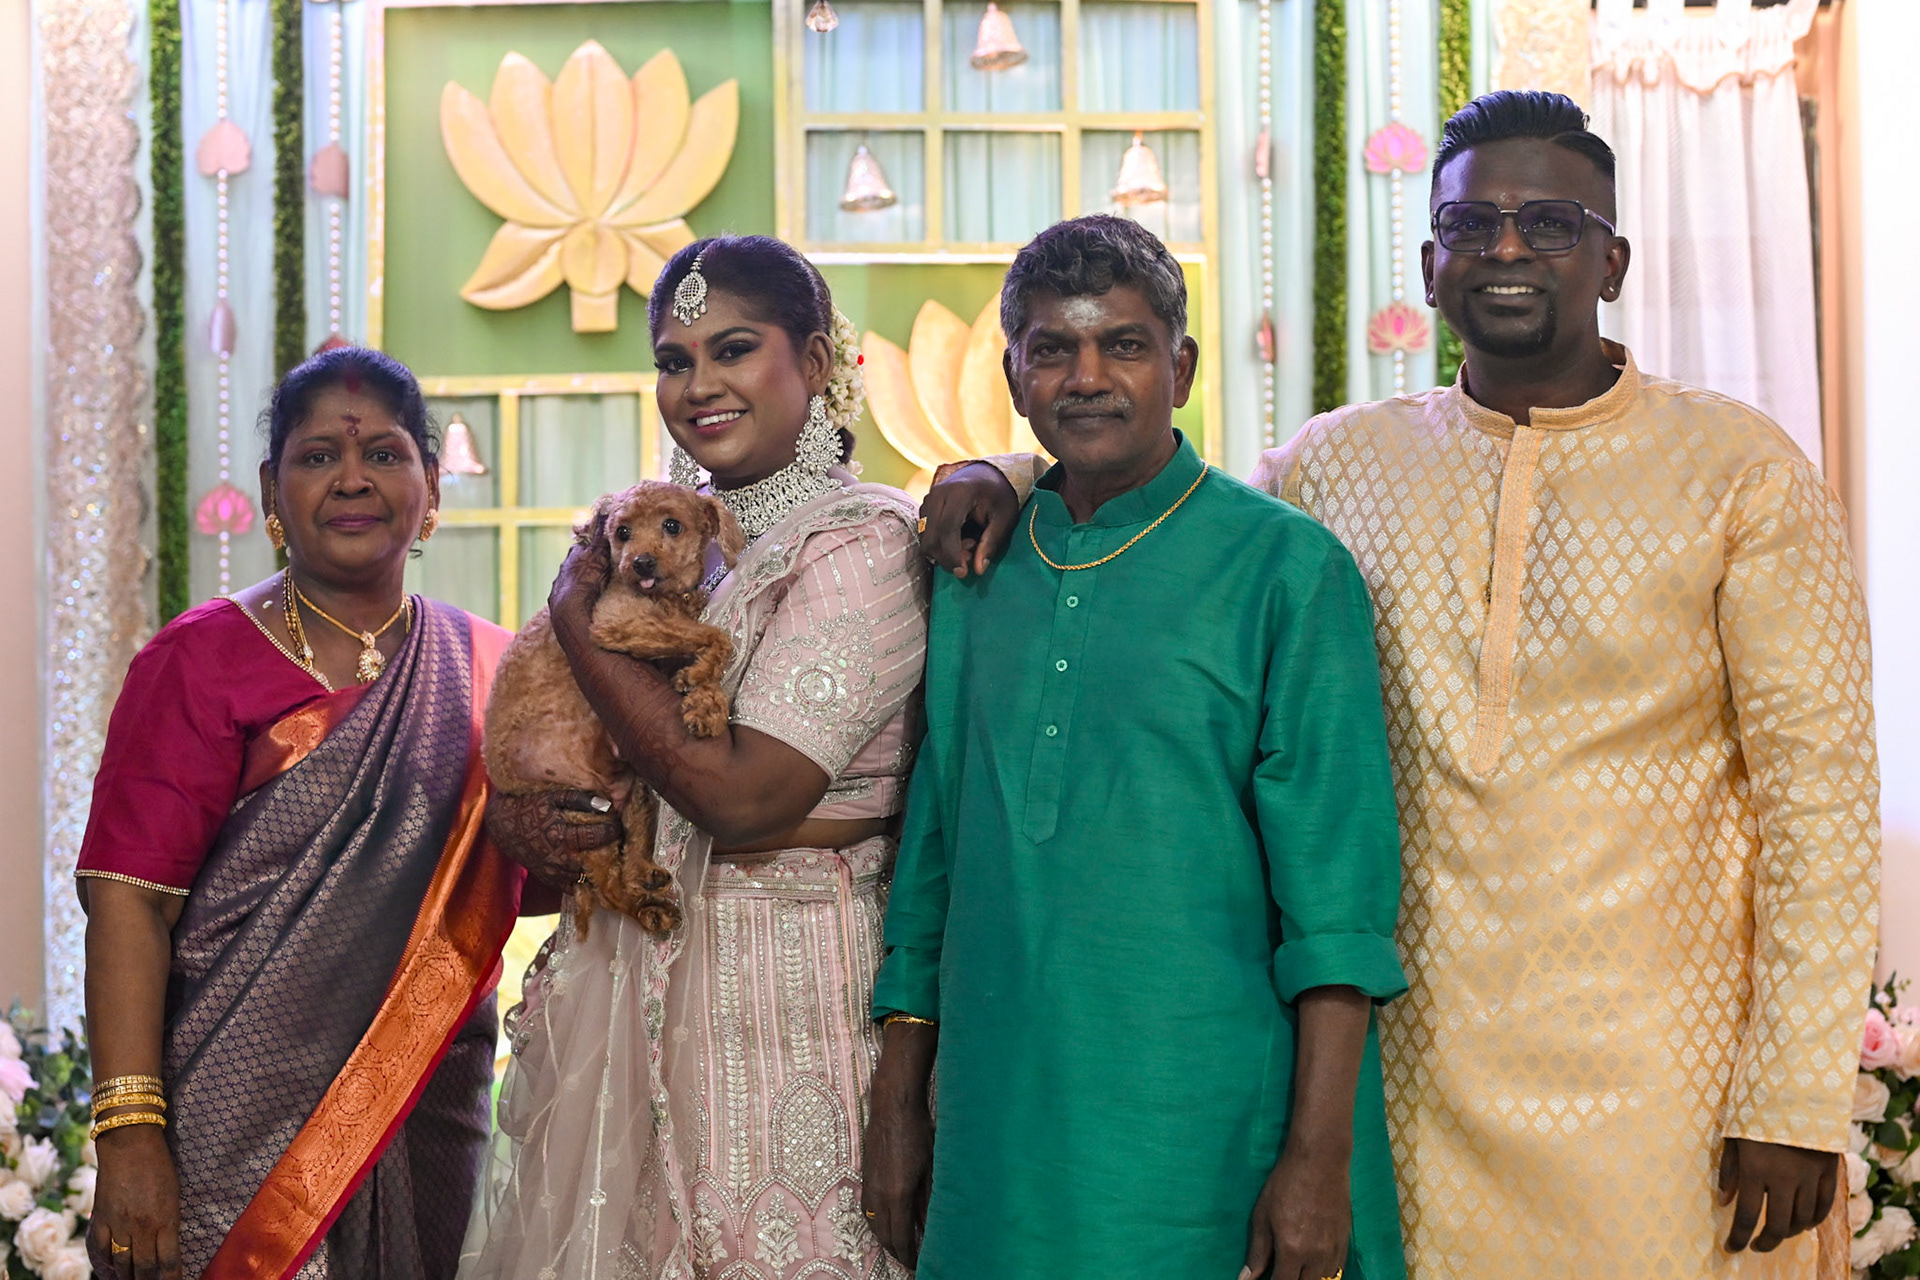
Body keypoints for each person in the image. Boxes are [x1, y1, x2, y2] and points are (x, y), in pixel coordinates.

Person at [922, 93, 1880, 1277]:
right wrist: (1005, 468)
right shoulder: (1337, 462)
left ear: (1613, 261)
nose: (1508, 248)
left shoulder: (1741, 473)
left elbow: (1821, 802)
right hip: (1410, 1075)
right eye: (1471, 224)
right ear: (1431, 266)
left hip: (1661, 1081)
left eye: (1551, 223)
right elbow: (1165, 508)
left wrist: (1791, 1090)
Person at [861, 214, 1409, 1280]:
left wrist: (1318, 1156)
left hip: (1207, 1129)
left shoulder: (1285, 570)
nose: (1088, 377)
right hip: (998, 1123)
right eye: (1052, 349)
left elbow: (1339, 906)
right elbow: (932, 852)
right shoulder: (975, 564)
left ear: (1182, 367)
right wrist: (898, 1099)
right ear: (1014, 377)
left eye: (1124, 345)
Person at [460, 235, 930, 1280]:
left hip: (797, 1013)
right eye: (675, 361)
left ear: (816, 361)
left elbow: (744, 798)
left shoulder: (862, 544)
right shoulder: (685, 557)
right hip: (642, 1016)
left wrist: (576, 620)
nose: (699, 384)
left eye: (734, 349)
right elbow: (612, 766)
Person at [76, 346, 524, 1280]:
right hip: (228, 1131)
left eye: (384, 454)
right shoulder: (200, 661)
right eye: (319, 456)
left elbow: (524, 873)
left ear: (431, 486)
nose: (353, 479)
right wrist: (129, 1134)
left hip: (426, 1108)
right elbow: (128, 901)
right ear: (271, 491)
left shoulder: (493, 671)